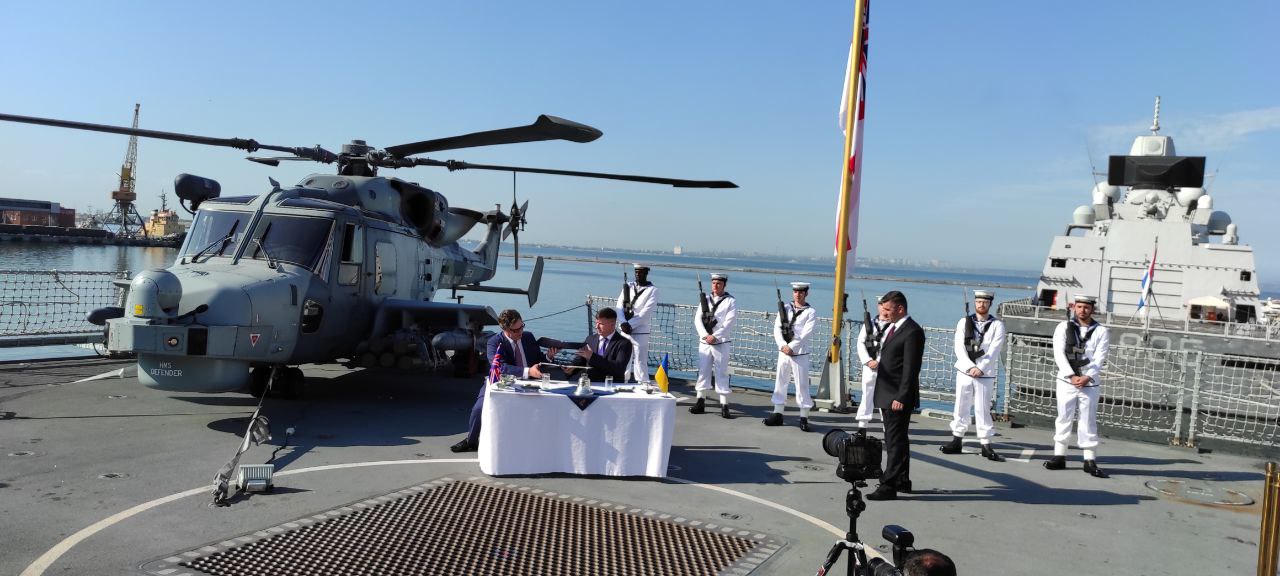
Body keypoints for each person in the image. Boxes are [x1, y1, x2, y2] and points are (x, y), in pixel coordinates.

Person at [451, 309, 554, 453]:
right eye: (516, 329)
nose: (521, 331)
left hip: (529, 383)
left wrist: (548, 357)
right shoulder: (494, 342)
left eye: (522, 326)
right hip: (501, 382)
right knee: (478, 409)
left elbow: (538, 360)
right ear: (505, 329)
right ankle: (472, 441)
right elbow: (500, 367)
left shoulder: (528, 337)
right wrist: (527, 371)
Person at [866, 290, 925, 501]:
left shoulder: (912, 331)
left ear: (900, 308)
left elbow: (910, 369)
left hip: (896, 396)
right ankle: (901, 480)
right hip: (888, 392)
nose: (885, 313)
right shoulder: (894, 328)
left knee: (894, 441)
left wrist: (901, 397)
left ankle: (888, 485)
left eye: (888, 309)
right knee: (898, 439)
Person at [1044, 294, 1111, 478]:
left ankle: (1089, 460)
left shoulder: (1101, 331)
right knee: (1063, 417)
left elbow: (1100, 357)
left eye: (1086, 307)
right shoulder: (1063, 327)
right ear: (1074, 307)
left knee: (1088, 420)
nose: (1083, 310)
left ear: (1092, 309)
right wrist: (1071, 375)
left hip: (1089, 383)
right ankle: (1059, 456)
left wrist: (1088, 376)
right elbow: (1058, 353)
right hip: (1067, 381)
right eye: (1080, 307)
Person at [940, 289, 1007, 461]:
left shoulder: (997, 325)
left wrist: (981, 368)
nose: (981, 304)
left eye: (985, 302)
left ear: (990, 303)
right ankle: (957, 439)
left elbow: (995, 349)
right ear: (975, 302)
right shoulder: (964, 322)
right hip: (965, 371)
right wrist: (970, 367)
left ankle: (986, 444)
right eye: (978, 301)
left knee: (983, 408)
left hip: (984, 374)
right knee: (961, 406)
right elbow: (959, 347)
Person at [764, 282, 817, 431]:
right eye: (795, 292)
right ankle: (778, 413)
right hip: (784, 352)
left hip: (799, 353)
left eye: (801, 292)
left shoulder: (810, 312)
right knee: (780, 382)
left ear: (806, 293)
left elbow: (806, 333)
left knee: (802, 385)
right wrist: (782, 345)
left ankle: (804, 417)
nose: (797, 295)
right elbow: (777, 328)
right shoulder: (785, 308)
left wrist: (792, 346)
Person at [690, 273, 738, 418]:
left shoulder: (730, 301)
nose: (715, 286)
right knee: (703, 371)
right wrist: (705, 335)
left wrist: (715, 336)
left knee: (721, 373)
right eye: (713, 283)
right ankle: (700, 401)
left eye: (719, 284)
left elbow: (729, 322)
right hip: (705, 342)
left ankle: (724, 405)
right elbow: (698, 319)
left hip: (720, 342)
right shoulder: (705, 299)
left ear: (724, 285)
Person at [564, 307, 633, 383]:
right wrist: (571, 369)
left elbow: (618, 368)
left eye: (601, 324)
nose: (597, 326)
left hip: (612, 385)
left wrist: (592, 356)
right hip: (590, 384)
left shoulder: (624, 343)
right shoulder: (590, 339)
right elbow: (581, 360)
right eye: (596, 323)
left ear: (612, 324)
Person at [617, 263, 659, 383]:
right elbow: (619, 306)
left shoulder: (653, 290)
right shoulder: (628, 287)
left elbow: (645, 312)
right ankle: (621, 382)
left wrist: (630, 325)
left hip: (640, 331)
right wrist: (623, 323)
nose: (637, 274)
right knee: (623, 360)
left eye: (640, 272)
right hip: (625, 330)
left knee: (640, 362)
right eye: (636, 272)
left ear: (646, 273)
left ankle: (643, 384)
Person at [854, 301, 889, 430]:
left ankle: (887, 429)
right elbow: (860, 342)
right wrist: (868, 361)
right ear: (878, 307)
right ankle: (862, 427)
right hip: (870, 366)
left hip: (886, 367)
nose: (884, 310)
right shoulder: (870, 324)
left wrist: (879, 361)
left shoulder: (894, 326)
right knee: (867, 396)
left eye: (887, 307)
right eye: (882, 306)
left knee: (886, 398)